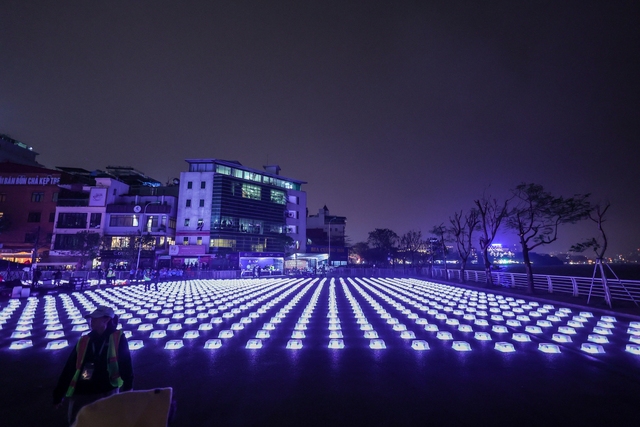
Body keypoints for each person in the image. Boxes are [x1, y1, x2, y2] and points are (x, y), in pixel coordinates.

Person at [53, 306, 134, 426]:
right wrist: (59, 394)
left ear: (106, 320)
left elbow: (125, 364)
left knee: (107, 421)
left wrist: (128, 389)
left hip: (108, 388)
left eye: (95, 319)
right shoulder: (86, 339)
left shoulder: (118, 337)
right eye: (91, 319)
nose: (91, 321)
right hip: (85, 389)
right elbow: (70, 367)